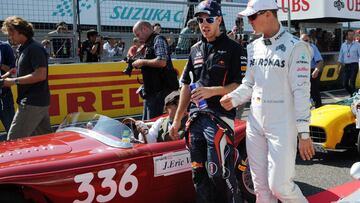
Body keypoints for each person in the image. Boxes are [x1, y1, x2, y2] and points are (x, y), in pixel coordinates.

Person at [220, 0, 315, 202]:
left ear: (268, 14)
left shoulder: (296, 47)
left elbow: (301, 92)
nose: (249, 22)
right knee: (260, 188)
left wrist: (304, 133)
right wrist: (234, 97)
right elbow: (249, 83)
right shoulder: (253, 46)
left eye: (252, 17)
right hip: (255, 124)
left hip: (282, 125)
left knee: (280, 186)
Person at [170, 1, 245, 202]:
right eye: (200, 19)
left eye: (209, 19)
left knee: (218, 173)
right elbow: (185, 85)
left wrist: (213, 91)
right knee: (199, 173)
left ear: (219, 19)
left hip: (220, 118)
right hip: (195, 119)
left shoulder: (234, 49)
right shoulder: (194, 49)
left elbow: (242, 85)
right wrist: (177, 120)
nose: (204, 23)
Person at [1, 16, 52, 140]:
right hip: (36, 102)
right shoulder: (23, 49)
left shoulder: (34, 48)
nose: (10, 36)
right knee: (45, 141)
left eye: (12, 33)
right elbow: (21, 71)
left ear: (21, 31)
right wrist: (7, 76)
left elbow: (40, 75)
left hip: (32, 103)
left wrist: (13, 81)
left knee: (14, 141)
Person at [132, 21, 179, 120]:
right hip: (152, 91)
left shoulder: (158, 39)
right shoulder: (149, 42)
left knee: (155, 125)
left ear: (145, 29)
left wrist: (142, 62)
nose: (137, 38)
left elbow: (162, 61)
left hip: (161, 91)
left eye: (138, 34)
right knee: (147, 123)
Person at [301, 33, 324, 108]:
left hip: (312, 71)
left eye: (307, 40)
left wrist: (316, 70)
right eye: (303, 40)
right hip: (300, 71)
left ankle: (319, 107)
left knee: (314, 91)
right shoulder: (296, 48)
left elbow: (320, 61)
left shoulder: (313, 47)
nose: (305, 42)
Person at [336, 30, 360, 97]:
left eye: (353, 35)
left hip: (354, 65)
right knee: (345, 84)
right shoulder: (343, 45)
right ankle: (354, 95)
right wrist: (338, 68)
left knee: (352, 83)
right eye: (350, 34)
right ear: (346, 36)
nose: (352, 36)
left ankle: (354, 97)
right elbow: (340, 58)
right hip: (346, 66)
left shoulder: (357, 45)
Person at [0, 41, 16, 137]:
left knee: (12, 133)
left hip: (4, 97)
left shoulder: (5, 47)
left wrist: (1, 66)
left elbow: (13, 70)